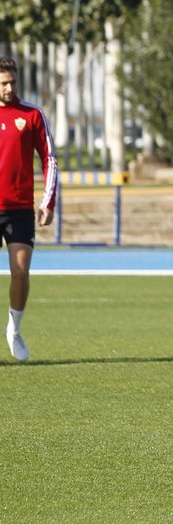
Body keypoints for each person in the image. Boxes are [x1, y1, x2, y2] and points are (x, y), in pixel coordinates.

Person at [0, 56, 56, 364]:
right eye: (3, 83)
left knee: (20, 273)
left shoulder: (32, 115)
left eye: (13, 82)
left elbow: (50, 159)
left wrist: (48, 201)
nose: (9, 88)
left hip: (20, 208)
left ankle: (14, 329)